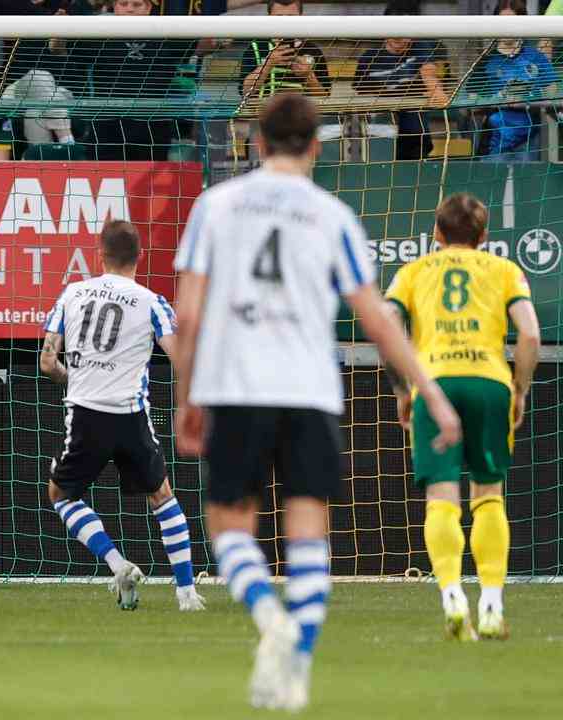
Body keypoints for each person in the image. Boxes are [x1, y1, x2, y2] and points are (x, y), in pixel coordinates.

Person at [171, 93, 461, 711]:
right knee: (308, 534)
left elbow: (189, 315)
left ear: (253, 143)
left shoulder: (214, 207)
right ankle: (298, 661)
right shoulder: (332, 216)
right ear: (316, 148)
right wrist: (428, 390)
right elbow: (377, 318)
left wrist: (186, 396)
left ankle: (269, 620)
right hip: (309, 391)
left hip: (236, 387)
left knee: (229, 529)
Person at [384, 193, 540, 641]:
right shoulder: (504, 270)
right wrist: (520, 388)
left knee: (441, 496)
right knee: (489, 492)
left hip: (435, 384)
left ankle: (452, 595)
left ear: (436, 234)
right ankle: (491, 602)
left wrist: (402, 389)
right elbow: (529, 332)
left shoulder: (413, 271)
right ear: (484, 237)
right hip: (489, 382)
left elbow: (387, 324)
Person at [39, 220, 207, 612]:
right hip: (130, 414)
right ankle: (186, 593)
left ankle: (117, 564)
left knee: (60, 495)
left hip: (84, 415)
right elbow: (180, 357)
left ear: (100, 254)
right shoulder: (151, 301)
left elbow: (48, 361)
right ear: (139, 257)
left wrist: (74, 377)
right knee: (162, 497)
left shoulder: (73, 293)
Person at [54, 0, 197, 161]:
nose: (130, 9)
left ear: (148, 8)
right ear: (115, 7)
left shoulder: (167, 36)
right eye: (124, 4)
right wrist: (59, 29)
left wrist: (221, 36)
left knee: (148, 185)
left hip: (153, 127)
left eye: (137, 5)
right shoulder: (98, 35)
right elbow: (58, 49)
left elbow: (202, 47)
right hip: (106, 127)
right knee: (106, 181)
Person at [352, 4, 449, 161]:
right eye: (395, 29)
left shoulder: (420, 48)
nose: (399, 36)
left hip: (413, 132)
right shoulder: (368, 58)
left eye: (405, 30)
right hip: (380, 129)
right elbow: (360, 94)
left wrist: (438, 92)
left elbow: (429, 75)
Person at [475, 0, 560, 162]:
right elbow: (469, 105)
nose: (507, 28)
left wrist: (529, 98)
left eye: (512, 22)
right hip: (495, 140)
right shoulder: (485, 61)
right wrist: (499, 99)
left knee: (527, 185)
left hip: (529, 138)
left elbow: (552, 96)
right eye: (502, 22)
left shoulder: (536, 57)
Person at [239, 0, 330, 102]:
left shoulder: (313, 50)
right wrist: (268, 64)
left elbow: (324, 97)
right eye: (279, 17)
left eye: (291, 17)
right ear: (269, 18)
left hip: (300, 115)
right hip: (260, 114)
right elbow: (245, 92)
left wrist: (308, 75)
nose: (285, 23)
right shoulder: (256, 46)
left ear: (301, 18)